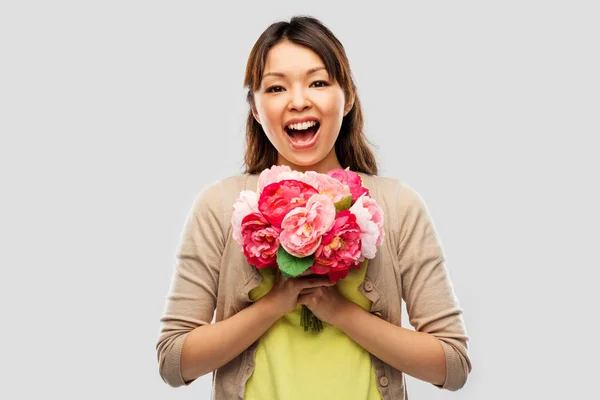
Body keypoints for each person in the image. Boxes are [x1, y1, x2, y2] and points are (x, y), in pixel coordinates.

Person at [156, 15, 472, 400]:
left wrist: (339, 311)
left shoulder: (397, 204)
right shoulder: (221, 205)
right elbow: (174, 362)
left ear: (348, 96)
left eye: (318, 82)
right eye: (275, 87)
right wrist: (275, 303)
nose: (299, 100)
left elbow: (452, 366)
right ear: (255, 108)